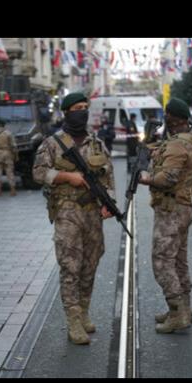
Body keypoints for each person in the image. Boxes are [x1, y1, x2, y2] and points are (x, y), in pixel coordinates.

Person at [33, 92, 115, 345]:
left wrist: (109, 203)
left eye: (84, 107)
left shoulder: (97, 144)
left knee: (90, 263)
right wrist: (67, 177)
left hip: (92, 213)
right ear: (67, 112)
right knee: (70, 266)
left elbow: (107, 176)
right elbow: (38, 173)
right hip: (67, 212)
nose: (82, 112)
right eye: (77, 108)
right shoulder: (52, 143)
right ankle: (73, 321)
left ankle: (84, 311)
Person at [138, 97, 192, 332]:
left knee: (162, 261)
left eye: (167, 114)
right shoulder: (189, 139)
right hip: (182, 207)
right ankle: (185, 309)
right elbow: (172, 159)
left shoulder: (176, 144)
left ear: (173, 117)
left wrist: (145, 178)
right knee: (179, 261)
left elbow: (167, 178)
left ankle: (177, 313)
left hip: (171, 209)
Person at [0, 119, 18, 196]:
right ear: (4, 125)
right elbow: (14, 146)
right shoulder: (8, 133)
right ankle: (13, 190)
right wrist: (15, 155)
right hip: (7, 153)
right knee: (10, 172)